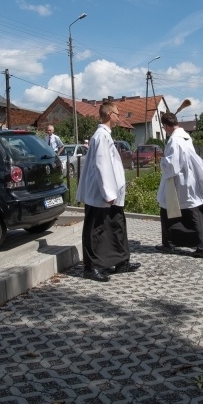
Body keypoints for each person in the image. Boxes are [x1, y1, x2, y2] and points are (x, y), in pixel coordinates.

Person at [75, 101, 140, 282]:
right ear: (110, 114)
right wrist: (108, 193)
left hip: (111, 193)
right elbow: (102, 165)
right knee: (96, 229)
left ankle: (121, 262)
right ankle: (91, 267)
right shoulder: (101, 136)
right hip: (102, 194)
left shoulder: (105, 135)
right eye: (117, 113)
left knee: (116, 226)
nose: (119, 117)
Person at [156, 112, 203, 258]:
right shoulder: (186, 136)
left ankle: (194, 246)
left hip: (179, 182)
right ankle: (177, 243)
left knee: (177, 210)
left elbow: (172, 165)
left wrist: (161, 160)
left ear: (165, 126)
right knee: (190, 210)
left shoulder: (174, 140)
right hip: (189, 178)